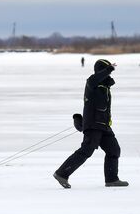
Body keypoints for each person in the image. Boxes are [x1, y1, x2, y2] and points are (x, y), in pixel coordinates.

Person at [53, 59, 128, 188]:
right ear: (101, 70)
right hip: (93, 125)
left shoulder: (105, 87)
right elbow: (96, 78)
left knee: (114, 150)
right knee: (86, 151)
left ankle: (111, 179)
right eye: (105, 70)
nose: (109, 74)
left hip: (104, 125)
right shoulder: (92, 83)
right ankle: (62, 174)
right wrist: (109, 69)